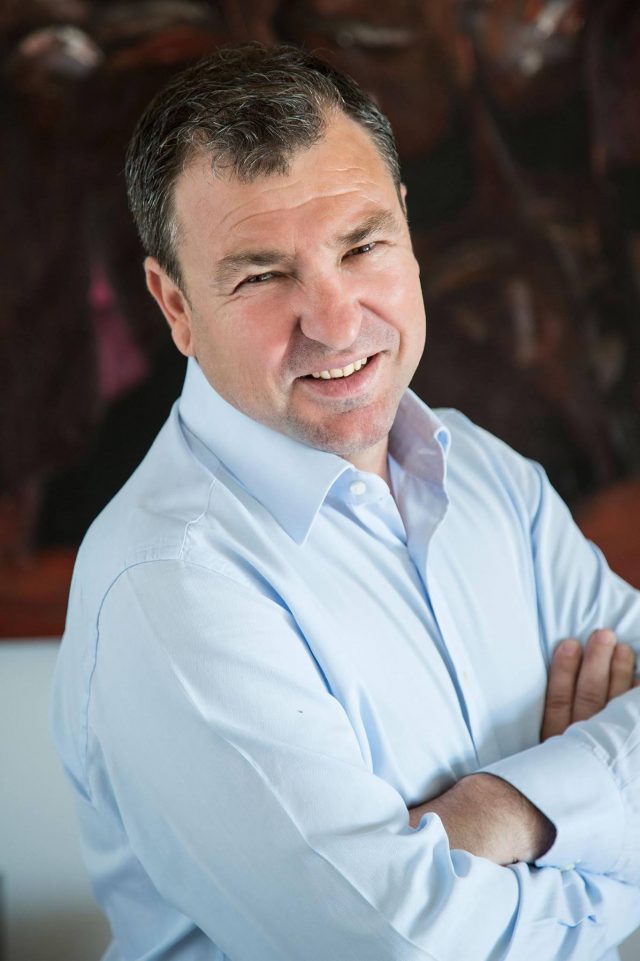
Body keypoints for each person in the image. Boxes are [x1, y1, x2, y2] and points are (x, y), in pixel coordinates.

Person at [51, 43, 640, 961]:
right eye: (261, 275)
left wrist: (508, 809)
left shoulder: (487, 473)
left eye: (362, 245)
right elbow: (399, 949)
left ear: (406, 225)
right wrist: (604, 832)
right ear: (175, 305)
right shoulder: (166, 587)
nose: (335, 321)